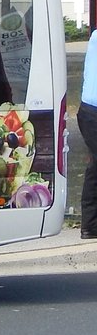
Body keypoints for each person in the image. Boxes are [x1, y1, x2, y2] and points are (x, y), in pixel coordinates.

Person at [79, 29, 97, 239]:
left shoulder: (94, 36)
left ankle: (90, 225)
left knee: (95, 167)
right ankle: (90, 225)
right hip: (93, 112)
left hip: (88, 111)